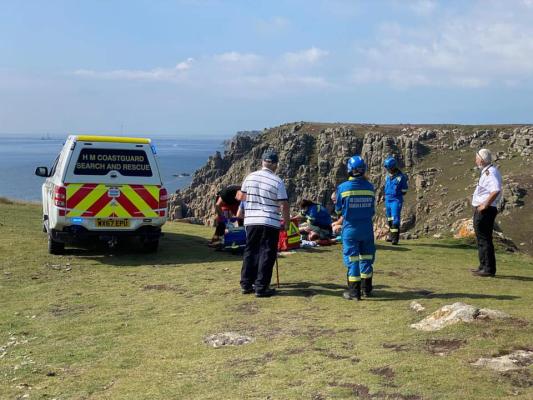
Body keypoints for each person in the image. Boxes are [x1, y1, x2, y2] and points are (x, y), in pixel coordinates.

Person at [238, 149, 290, 297]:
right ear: (275, 164)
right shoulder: (277, 181)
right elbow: (283, 204)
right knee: (267, 253)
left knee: (250, 251)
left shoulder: (249, 177)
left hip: (251, 220)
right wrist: (286, 223)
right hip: (269, 221)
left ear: (262, 162)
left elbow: (241, 197)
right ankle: (261, 287)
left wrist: (240, 215)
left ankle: (246, 284)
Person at [335, 155, 376, 300]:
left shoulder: (343, 188)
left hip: (350, 229)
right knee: (367, 258)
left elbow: (338, 210)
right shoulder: (370, 187)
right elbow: (372, 210)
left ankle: (354, 293)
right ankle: (367, 289)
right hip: (367, 229)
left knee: (352, 260)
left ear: (349, 170)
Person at [470, 149, 502, 277]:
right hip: (483, 209)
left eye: (477, 158)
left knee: (484, 239)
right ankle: (483, 266)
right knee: (481, 239)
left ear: (482, 160)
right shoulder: (486, 172)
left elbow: (496, 190)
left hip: (486, 210)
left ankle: (488, 269)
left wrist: (484, 205)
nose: (475, 160)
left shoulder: (490, 173)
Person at [383, 156, 408, 245]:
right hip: (387, 200)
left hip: (396, 200)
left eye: (388, 168)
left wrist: (398, 194)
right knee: (389, 218)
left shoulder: (401, 177)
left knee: (395, 219)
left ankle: (395, 238)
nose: (387, 169)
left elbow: (404, 190)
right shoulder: (387, 177)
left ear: (392, 167)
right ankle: (391, 235)